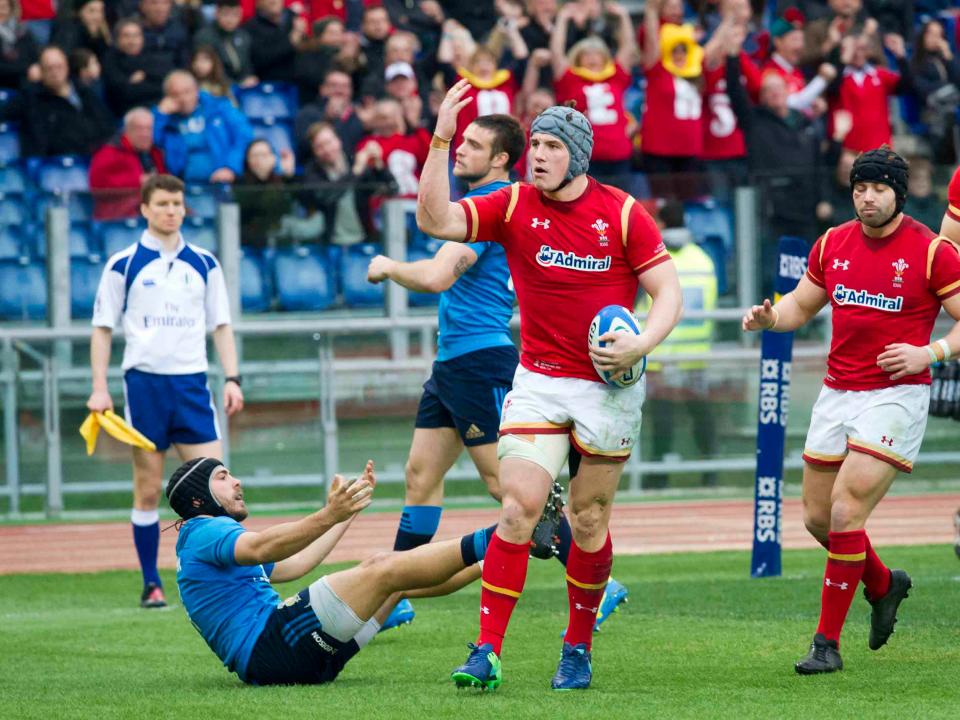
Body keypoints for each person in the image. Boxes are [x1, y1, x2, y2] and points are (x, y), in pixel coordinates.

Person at [417, 80, 683, 691]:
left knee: (588, 521)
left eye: (551, 146)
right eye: (533, 143)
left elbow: (669, 293)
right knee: (518, 508)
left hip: (607, 388)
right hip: (537, 380)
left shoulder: (620, 212)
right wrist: (440, 138)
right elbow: (435, 219)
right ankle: (486, 651)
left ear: (578, 156)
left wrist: (643, 342)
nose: (537, 154)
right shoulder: (511, 205)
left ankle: (578, 647)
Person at [742, 148, 960, 674]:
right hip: (837, 393)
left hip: (895, 396)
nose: (867, 196)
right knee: (819, 520)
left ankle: (825, 644)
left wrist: (930, 352)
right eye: (860, 187)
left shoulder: (932, 252)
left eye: (879, 188)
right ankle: (884, 584)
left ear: (899, 194)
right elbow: (799, 306)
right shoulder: (833, 242)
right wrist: (770, 318)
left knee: (845, 511)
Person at [167, 456, 500, 685]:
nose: (236, 481)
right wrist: (329, 514)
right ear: (198, 500)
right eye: (222, 477)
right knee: (382, 567)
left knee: (395, 583)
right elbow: (261, 547)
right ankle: (499, 536)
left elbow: (298, 563)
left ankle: (504, 553)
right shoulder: (202, 530)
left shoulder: (202, 540)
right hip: (271, 648)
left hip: (286, 658)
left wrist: (344, 513)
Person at [86, 173, 245, 609]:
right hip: (144, 385)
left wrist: (233, 377)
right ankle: (151, 583)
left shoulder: (205, 264)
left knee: (218, 485)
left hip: (192, 384)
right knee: (149, 489)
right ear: (144, 209)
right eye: (162, 204)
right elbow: (102, 330)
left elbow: (222, 326)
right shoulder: (123, 264)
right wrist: (99, 388)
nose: (171, 211)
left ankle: (229, 578)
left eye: (177, 203)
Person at [639, 200, 719, 489]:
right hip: (696, 356)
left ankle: (655, 478)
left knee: (661, 424)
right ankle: (712, 473)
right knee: (702, 419)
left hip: (659, 354)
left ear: (660, 223)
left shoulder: (653, 258)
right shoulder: (703, 259)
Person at [0, 44, 113, 157]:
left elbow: (106, 124)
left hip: (94, 155)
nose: (55, 73)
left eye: (59, 67)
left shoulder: (84, 92)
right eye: (49, 68)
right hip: (52, 163)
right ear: (41, 72)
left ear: (67, 67)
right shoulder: (29, 97)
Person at [153, 69, 252, 184]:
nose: (183, 99)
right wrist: (160, 116)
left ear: (196, 90)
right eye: (175, 94)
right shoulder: (167, 120)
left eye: (187, 92)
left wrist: (230, 167)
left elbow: (244, 135)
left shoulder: (219, 108)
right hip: (184, 185)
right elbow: (155, 143)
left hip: (222, 181)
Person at [89, 106, 166, 220]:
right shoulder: (108, 152)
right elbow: (97, 185)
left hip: (153, 218)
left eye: (149, 129)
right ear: (127, 130)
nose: (145, 134)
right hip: (117, 219)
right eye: (139, 128)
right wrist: (137, 181)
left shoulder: (156, 153)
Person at [192, 0, 257, 87]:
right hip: (215, 85)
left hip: (243, 85)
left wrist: (249, 78)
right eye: (225, 14)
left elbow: (248, 64)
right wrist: (236, 84)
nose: (230, 20)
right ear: (216, 13)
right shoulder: (204, 37)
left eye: (235, 15)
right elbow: (207, 70)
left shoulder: (243, 35)